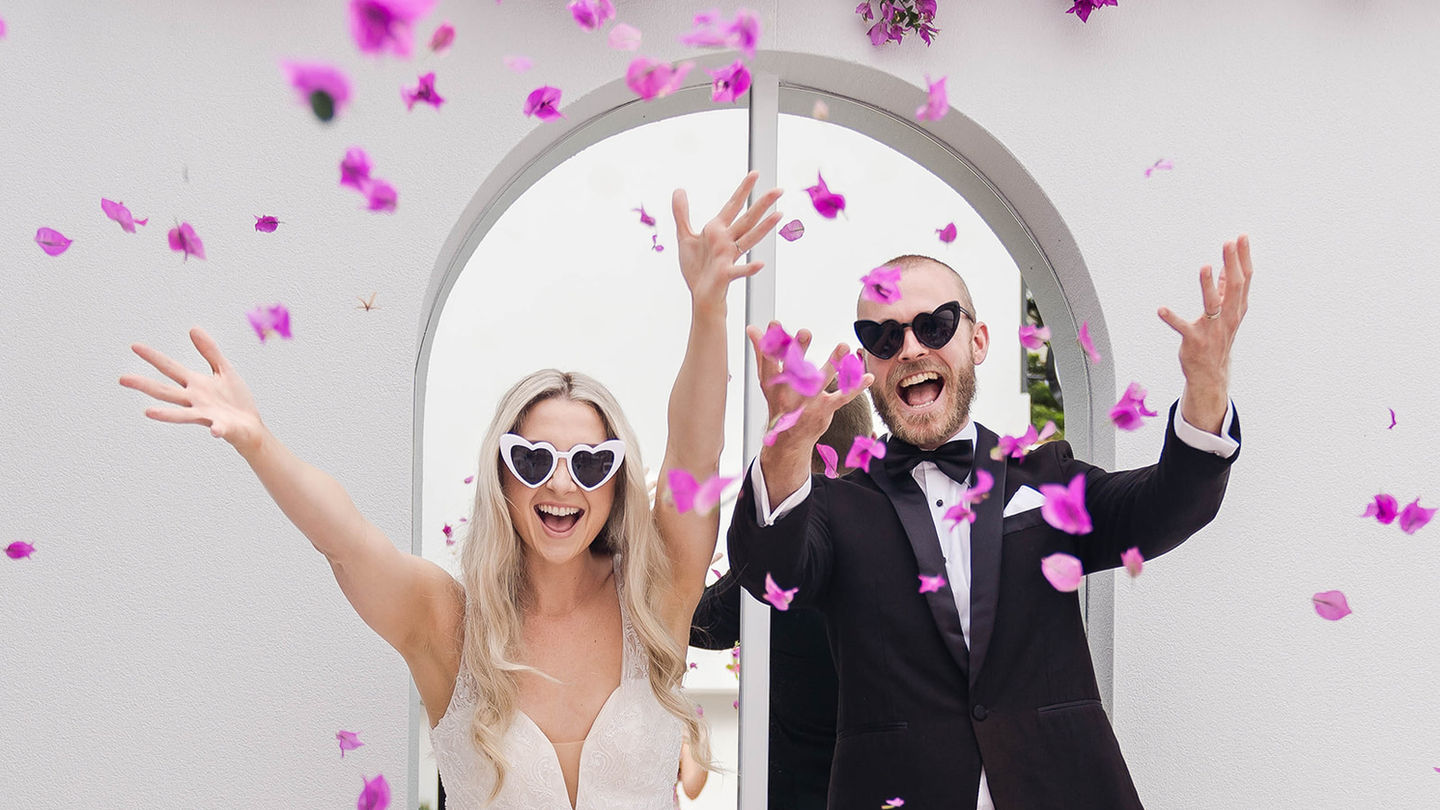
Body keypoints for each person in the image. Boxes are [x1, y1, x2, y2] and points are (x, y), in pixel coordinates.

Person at [119, 173, 782, 810]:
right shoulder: (447, 622)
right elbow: (347, 544)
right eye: (531, 458)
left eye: (589, 463)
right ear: (501, 477)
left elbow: (697, 454)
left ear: (614, 484)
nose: (559, 481)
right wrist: (258, 441)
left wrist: (707, 310)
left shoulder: (654, 602)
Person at [727, 239, 1252, 810]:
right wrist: (786, 447)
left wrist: (1205, 393)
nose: (908, 349)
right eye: (884, 337)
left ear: (977, 340)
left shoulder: (1046, 474)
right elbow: (769, 571)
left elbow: (1169, 506)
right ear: (868, 364)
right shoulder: (834, 507)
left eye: (934, 326)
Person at [688, 394, 874, 810]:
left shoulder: (777, 556)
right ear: (870, 441)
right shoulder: (892, 535)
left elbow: (700, 624)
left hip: (790, 792)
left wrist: (685, 570)